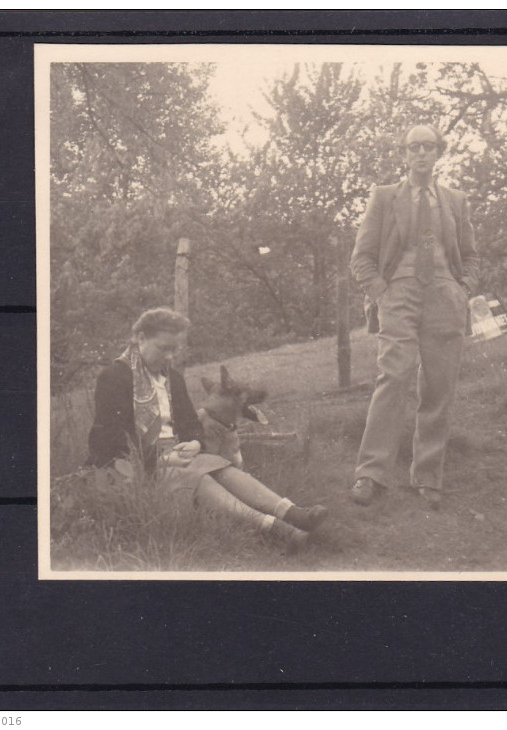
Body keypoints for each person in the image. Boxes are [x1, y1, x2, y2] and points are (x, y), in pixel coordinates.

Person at [86, 307, 328, 550]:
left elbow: (191, 424)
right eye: (164, 348)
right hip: (134, 465)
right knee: (199, 477)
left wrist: (194, 443)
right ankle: (275, 529)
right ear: (141, 339)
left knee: (224, 469)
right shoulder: (114, 377)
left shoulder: (173, 379)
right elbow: (110, 438)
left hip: (177, 456)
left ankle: (292, 513)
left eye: (175, 349)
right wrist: (161, 458)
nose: (170, 357)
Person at [349, 123, 480, 508]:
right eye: (414, 147)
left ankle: (428, 477)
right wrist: (381, 292)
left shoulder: (455, 200)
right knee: (394, 376)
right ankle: (370, 474)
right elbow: (362, 257)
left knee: (439, 385)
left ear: (439, 153)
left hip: (444, 293)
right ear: (404, 154)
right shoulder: (385, 196)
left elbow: (470, 255)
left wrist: (463, 287)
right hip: (399, 291)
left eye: (428, 147)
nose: (421, 154)